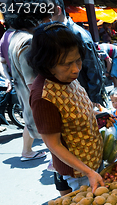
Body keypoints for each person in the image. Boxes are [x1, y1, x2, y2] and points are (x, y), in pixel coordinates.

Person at [29, 22, 104, 193]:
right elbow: (54, 144)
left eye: (78, 60)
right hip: (79, 172)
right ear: (47, 63)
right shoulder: (44, 96)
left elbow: (74, 110)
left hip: (93, 161)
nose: (76, 69)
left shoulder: (67, 78)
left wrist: (100, 116)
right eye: (67, 64)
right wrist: (88, 172)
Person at [6, 0, 51, 162]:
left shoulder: (15, 37)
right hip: (32, 93)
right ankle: (56, 163)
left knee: (31, 121)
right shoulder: (28, 41)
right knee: (46, 125)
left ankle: (27, 151)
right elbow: (31, 79)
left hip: (24, 92)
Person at [49, 0, 106, 107]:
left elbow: (94, 72)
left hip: (84, 97)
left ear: (58, 10)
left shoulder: (79, 36)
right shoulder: (57, 33)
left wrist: (92, 100)